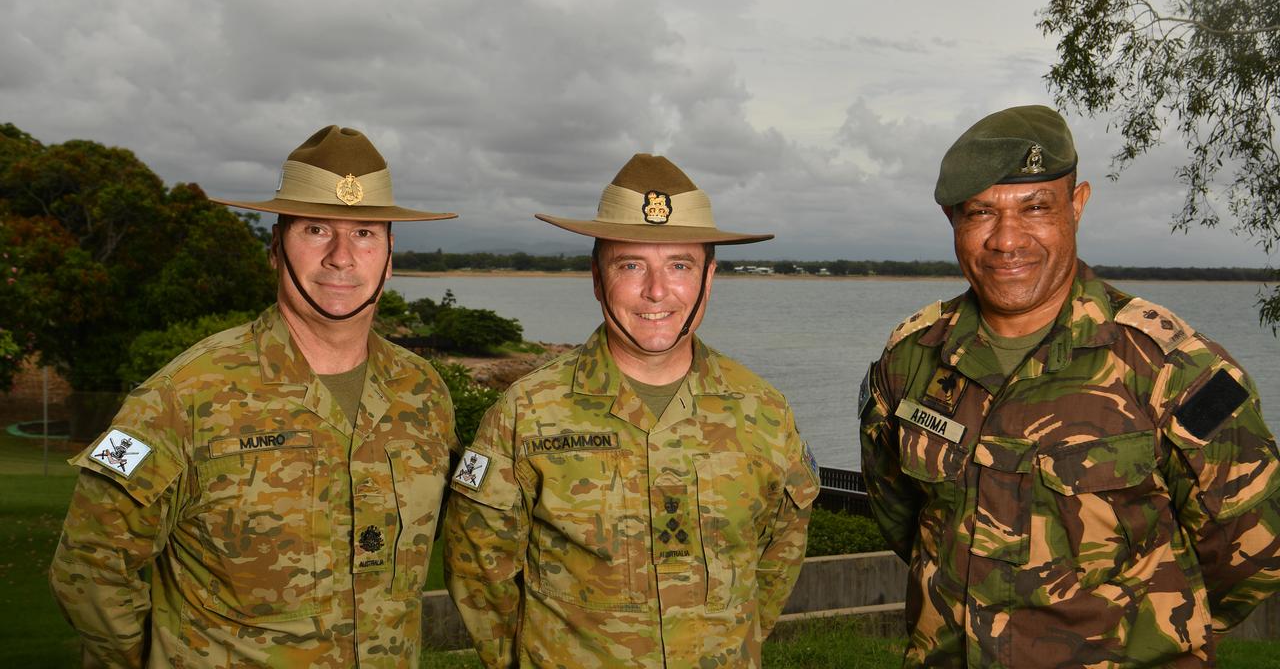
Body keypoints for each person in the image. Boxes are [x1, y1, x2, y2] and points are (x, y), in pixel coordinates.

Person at [859, 105, 1280, 667]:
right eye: (981, 212)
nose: (1006, 240)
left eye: (1035, 207)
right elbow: (903, 517)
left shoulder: (1172, 367)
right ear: (952, 219)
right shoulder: (911, 357)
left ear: (1077, 205)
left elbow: (1254, 551)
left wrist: (1153, 637)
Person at [49, 125, 461, 668]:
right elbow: (90, 566)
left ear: (390, 257)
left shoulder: (423, 391)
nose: (342, 257)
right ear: (275, 249)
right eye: (316, 229)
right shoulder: (185, 395)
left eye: (365, 234)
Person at [443, 153, 819, 668]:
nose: (656, 291)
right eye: (631, 265)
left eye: (680, 265)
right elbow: (478, 568)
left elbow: (778, 561)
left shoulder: (763, 410)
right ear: (598, 279)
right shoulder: (527, 413)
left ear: (709, 278)